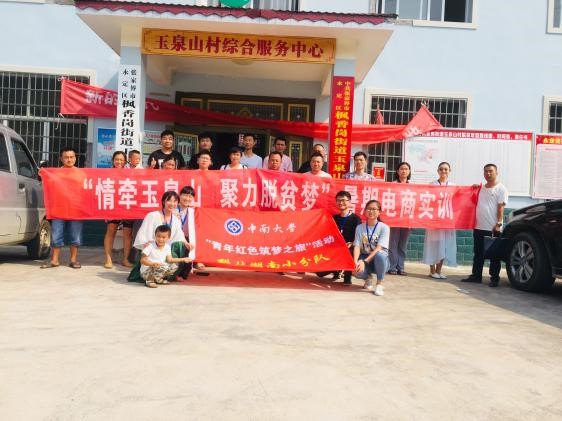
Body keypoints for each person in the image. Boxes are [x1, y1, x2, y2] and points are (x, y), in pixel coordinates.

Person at [461, 163, 508, 287]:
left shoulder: (501, 189)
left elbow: (501, 207)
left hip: (493, 227)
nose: (488, 173)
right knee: (478, 253)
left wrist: (499, 223)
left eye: (491, 171)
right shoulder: (480, 188)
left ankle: (494, 278)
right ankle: (476, 276)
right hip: (478, 226)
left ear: (496, 173)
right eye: (486, 171)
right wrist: (473, 188)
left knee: (494, 256)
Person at [40, 147, 84, 269]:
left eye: (71, 157)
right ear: (61, 158)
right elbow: (47, 186)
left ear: (75, 158)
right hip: (58, 209)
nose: (69, 160)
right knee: (56, 236)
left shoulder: (82, 173)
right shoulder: (54, 173)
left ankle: (73, 260)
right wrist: (43, 174)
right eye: (66, 157)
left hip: (76, 209)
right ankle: (54, 260)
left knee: (75, 236)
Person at [317, 191, 362, 284]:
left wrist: (352, 243)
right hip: (335, 249)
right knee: (319, 273)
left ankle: (347, 276)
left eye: (343, 200)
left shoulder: (356, 219)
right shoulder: (334, 218)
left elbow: (359, 237)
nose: (341, 202)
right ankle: (337, 270)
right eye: (338, 200)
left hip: (349, 248)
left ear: (349, 202)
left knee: (351, 250)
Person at [422, 162, 457, 279]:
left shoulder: (453, 186)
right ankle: (432, 271)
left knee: (444, 245)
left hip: (447, 220)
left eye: (446, 169)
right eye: (441, 169)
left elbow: (460, 198)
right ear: (438, 171)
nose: (443, 171)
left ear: (449, 171)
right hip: (434, 220)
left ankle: (439, 270)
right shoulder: (432, 185)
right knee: (432, 244)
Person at [103, 151, 134, 269]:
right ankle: (108, 259)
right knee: (111, 231)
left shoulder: (130, 173)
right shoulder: (107, 173)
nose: (119, 162)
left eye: (121, 160)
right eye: (117, 159)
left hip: (127, 205)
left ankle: (125, 259)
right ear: (113, 160)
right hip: (113, 206)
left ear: (125, 161)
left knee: (127, 233)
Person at [353, 199, 390, 296]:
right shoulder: (360, 227)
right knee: (355, 271)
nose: (371, 211)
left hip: (380, 259)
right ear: (365, 211)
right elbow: (357, 246)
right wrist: (355, 261)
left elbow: (379, 248)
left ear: (379, 212)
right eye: (368, 209)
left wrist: (364, 262)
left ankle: (379, 284)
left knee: (380, 255)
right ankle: (368, 278)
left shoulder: (384, 228)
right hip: (365, 256)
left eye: (374, 209)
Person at [388, 161, 413, 276]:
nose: (404, 171)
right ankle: (392, 267)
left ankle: (401, 267)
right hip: (394, 219)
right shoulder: (392, 184)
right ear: (397, 171)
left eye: (406, 169)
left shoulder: (413, 186)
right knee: (393, 244)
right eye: (401, 169)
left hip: (407, 219)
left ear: (409, 171)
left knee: (403, 245)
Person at [175, 186, 198, 280]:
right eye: (185, 195)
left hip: (188, 239)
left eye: (190, 196)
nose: (187, 198)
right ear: (180, 196)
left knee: (185, 274)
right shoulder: (173, 209)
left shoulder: (193, 211)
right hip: (175, 239)